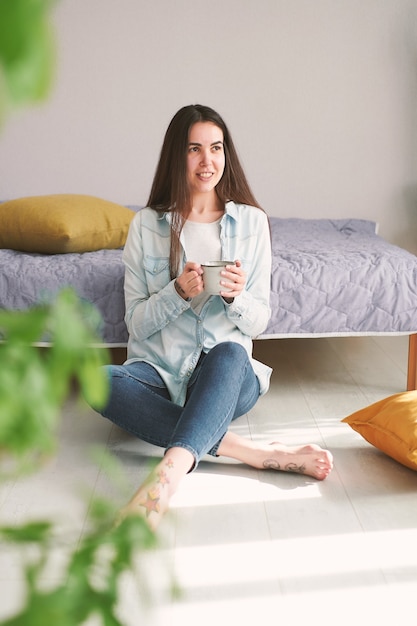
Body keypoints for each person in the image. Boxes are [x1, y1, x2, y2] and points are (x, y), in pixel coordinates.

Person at [94, 104, 333, 530]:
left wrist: (237, 297)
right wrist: (177, 294)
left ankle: (167, 475)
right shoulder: (146, 226)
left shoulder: (253, 223)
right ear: (176, 156)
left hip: (225, 378)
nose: (208, 161)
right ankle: (253, 452)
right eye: (195, 149)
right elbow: (137, 324)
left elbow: (257, 323)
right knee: (100, 383)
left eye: (216, 148)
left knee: (229, 354)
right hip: (159, 371)